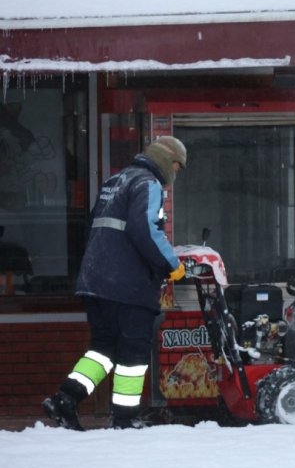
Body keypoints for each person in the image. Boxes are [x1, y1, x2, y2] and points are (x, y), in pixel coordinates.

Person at [42, 136, 188, 430]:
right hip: (128, 287)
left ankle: (65, 399)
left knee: (103, 349)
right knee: (133, 355)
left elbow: (101, 228)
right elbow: (145, 229)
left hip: (96, 282)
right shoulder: (148, 184)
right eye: (178, 167)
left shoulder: (115, 181)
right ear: (168, 161)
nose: (176, 173)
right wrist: (172, 265)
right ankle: (126, 418)